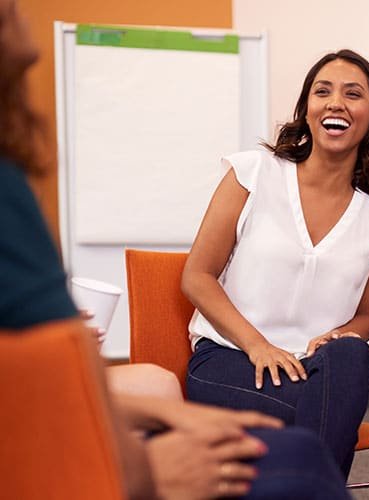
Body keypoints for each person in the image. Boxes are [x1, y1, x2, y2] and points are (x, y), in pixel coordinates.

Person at [0, 1, 349, 498]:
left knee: (341, 375)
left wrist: (152, 412)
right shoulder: (253, 172)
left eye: (352, 94)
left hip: (301, 368)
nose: (19, 16)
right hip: (220, 366)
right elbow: (50, 384)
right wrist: (144, 469)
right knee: (302, 458)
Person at [182, 48, 369, 478]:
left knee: (352, 356)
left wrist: (338, 338)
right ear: (306, 109)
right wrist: (258, 345)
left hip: (314, 370)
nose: (335, 103)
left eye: (353, 94)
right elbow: (197, 277)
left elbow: (366, 316)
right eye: (322, 91)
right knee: (327, 414)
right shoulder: (252, 174)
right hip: (231, 360)